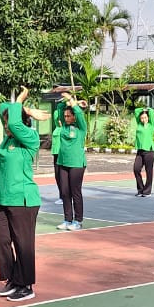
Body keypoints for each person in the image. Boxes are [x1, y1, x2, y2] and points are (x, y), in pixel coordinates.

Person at [0, 89, 42, 301]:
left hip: (23, 199)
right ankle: (13, 278)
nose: (6, 126)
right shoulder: (8, 140)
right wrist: (24, 108)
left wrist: (20, 101)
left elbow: (14, 123)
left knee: (23, 245)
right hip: (4, 199)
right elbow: (4, 109)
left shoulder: (30, 138)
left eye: (9, 122)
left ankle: (26, 285)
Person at [55, 92, 88, 231]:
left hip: (76, 164)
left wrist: (73, 102)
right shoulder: (63, 127)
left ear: (74, 116)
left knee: (75, 192)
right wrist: (66, 102)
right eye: (66, 116)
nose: (66, 118)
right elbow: (59, 109)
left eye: (69, 116)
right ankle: (67, 219)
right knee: (64, 192)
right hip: (63, 163)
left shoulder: (81, 127)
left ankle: (78, 220)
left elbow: (80, 114)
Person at [132, 105, 154, 197]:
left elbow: (152, 112)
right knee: (136, 169)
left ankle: (147, 191)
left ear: (148, 118)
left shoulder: (151, 125)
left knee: (149, 171)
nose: (143, 119)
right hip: (140, 151)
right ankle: (140, 189)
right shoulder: (139, 124)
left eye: (145, 117)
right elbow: (136, 110)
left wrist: (148, 110)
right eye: (142, 118)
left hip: (149, 151)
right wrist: (143, 109)